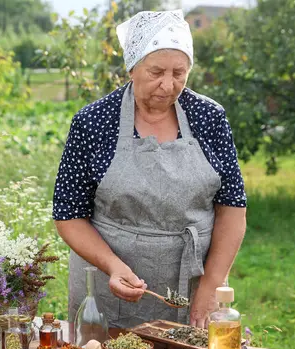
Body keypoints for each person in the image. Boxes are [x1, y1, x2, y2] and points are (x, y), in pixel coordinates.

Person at [53, 10, 247, 329]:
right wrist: (113, 267)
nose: (168, 85)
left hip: (193, 284)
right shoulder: (93, 122)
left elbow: (232, 209)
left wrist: (211, 287)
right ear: (132, 67)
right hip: (109, 287)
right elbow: (69, 215)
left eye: (179, 73)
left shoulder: (209, 118)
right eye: (156, 71)